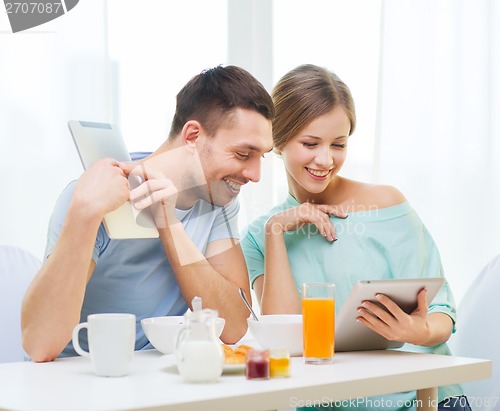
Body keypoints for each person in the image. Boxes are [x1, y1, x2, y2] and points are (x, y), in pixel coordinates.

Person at [240, 64, 470, 411]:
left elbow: (441, 313)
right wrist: (276, 233)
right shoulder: (261, 235)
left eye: (339, 144)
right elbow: (284, 339)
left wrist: (415, 331)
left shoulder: (386, 204)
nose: (325, 159)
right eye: (310, 143)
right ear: (278, 139)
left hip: (424, 399)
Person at [22, 65, 274, 362]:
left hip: (157, 382)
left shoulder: (218, 198)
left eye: (261, 156)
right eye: (243, 154)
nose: (255, 175)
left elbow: (233, 325)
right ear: (192, 136)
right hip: (79, 378)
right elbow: (39, 345)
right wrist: (84, 214)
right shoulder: (94, 198)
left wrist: (168, 224)